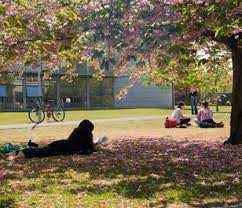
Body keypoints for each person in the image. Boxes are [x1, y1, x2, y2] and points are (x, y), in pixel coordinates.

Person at [8, 120, 98, 160]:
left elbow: (70, 140)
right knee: (45, 152)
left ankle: (18, 151)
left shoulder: (76, 130)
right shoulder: (87, 133)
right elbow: (90, 148)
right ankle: (22, 153)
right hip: (66, 148)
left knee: (43, 149)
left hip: (62, 143)